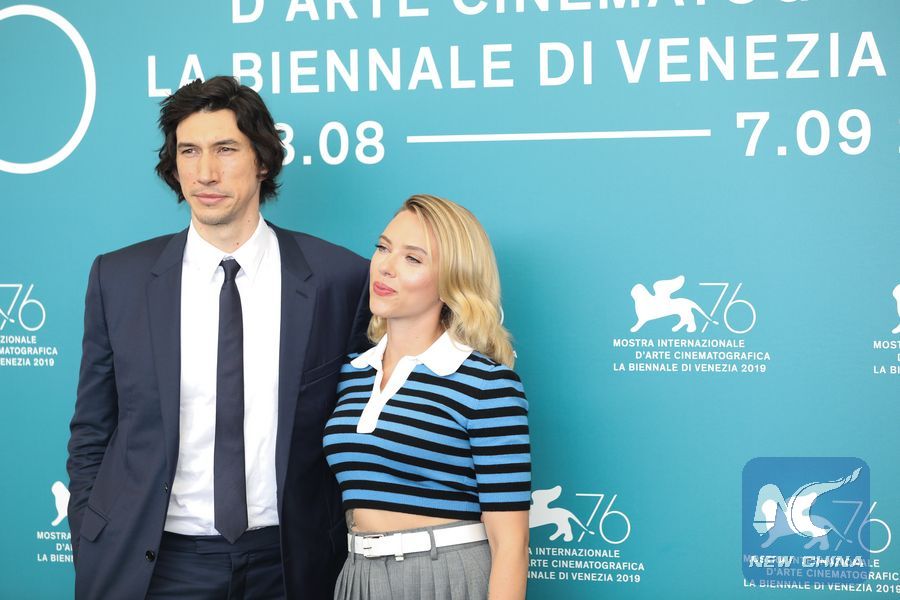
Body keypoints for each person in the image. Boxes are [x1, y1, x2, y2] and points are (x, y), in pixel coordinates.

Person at [66, 76, 369, 599]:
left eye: (225, 149)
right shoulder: (118, 279)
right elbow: (93, 429)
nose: (205, 172)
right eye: (189, 151)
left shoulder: (339, 278)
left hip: (292, 563)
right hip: (156, 565)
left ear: (264, 160)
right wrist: (90, 536)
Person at [323, 195, 531, 599]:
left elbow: (511, 544)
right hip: (357, 575)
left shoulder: (487, 385)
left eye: (412, 259)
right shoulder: (351, 373)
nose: (386, 266)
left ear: (453, 281)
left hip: (445, 575)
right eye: (383, 247)